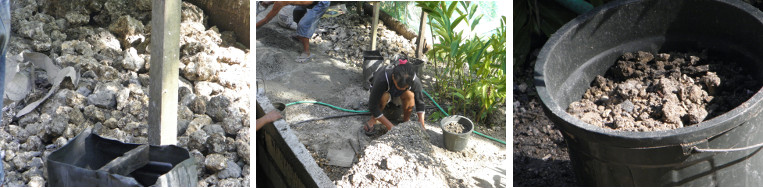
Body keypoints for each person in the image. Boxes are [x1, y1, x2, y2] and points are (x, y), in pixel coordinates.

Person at [364, 59, 426, 135]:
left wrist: (422, 124)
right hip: (382, 95)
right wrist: (391, 127)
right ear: (393, 77)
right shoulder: (382, 78)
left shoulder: (414, 80)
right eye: (398, 86)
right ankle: (373, 119)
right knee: (384, 96)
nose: (402, 89)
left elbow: (420, 103)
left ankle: (406, 122)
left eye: (405, 87)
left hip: (397, 96)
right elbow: (372, 106)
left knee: (410, 95)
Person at [256, 1, 330, 62]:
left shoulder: (281, 2)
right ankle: (300, 35)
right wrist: (267, 2)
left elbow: (266, 19)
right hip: (307, 2)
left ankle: (307, 53)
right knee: (297, 13)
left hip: (321, 3)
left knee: (303, 24)